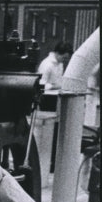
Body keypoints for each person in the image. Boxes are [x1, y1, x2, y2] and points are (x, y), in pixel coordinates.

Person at [33, 40, 73, 174]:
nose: (64, 60)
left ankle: (51, 162)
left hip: (55, 99)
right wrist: (55, 86)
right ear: (58, 53)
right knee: (47, 132)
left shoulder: (59, 64)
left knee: (55, 131)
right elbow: (41, 84)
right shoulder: (47, 64)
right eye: (64, 57)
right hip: (47, 99)